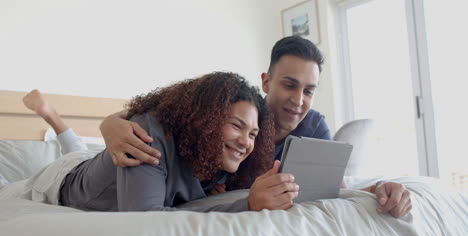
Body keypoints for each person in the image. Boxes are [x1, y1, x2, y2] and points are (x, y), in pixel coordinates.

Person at [99, 36, 412, 218]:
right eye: (290, 85)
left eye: (309, 90)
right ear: (266, 81)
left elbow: (333, 188)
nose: (299, 100)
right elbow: (159, 114)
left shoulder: (314, 126)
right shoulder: (226, 112)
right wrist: (110, 123)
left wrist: (372, 192)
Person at [18, 72, 300, 212]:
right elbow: (146, 220)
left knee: (82, 152)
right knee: (14, 186)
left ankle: (53, 118)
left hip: (95, 164)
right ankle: (52, 117)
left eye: (253, 134)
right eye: (237, 126)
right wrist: (245, 206)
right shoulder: (146, 138)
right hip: (61, 181)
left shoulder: (218, 154)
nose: (245, 142)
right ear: (206, 120)